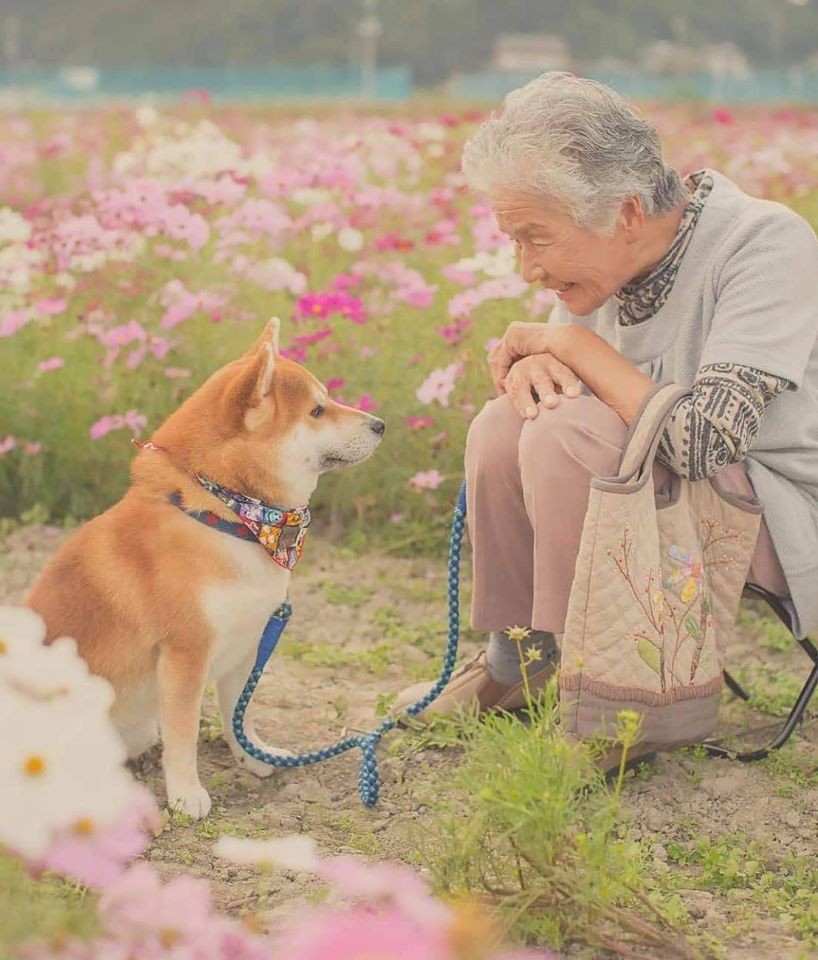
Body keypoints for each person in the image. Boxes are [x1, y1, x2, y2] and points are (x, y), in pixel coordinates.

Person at [394, 72, 818, 769]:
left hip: (778, 515)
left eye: (535, 238)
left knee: (566, 432)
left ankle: (612, 701)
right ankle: (521, 661)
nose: (525, 268)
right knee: (509, 423)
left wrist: (575, 347)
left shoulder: (764, 243)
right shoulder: (607, 264)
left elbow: (705, 441)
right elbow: (585, 391)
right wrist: (536, 374)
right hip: (675, 505)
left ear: (624, 212)